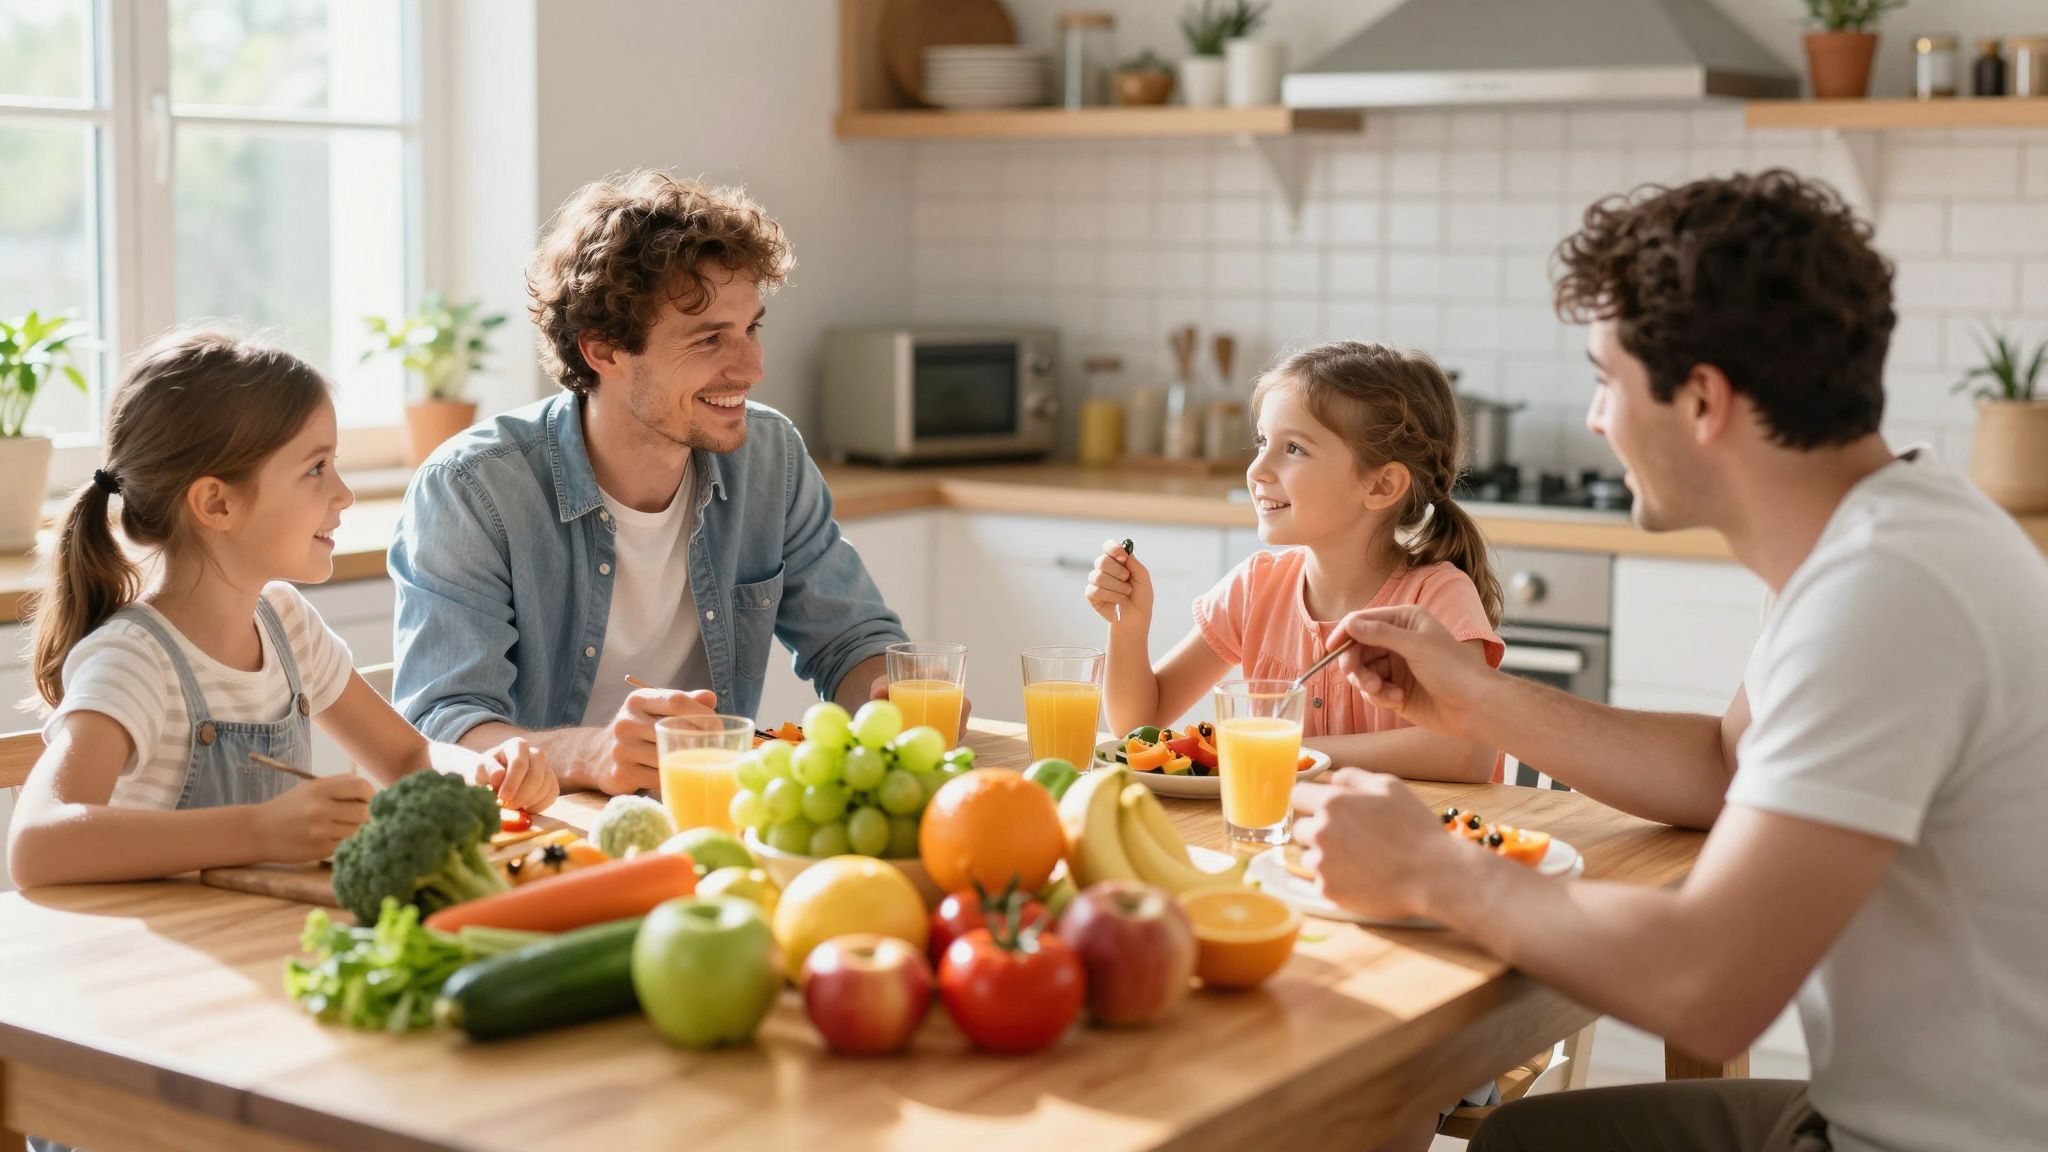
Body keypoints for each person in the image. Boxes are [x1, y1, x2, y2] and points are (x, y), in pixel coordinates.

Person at [1295, 170, 2048, 1151]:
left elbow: (1708, 987)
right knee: (1519, 1143)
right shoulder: (1890, 534)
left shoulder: (1886, 596)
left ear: (1700, 401)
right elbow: (1724, 770)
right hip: (1882, 1111)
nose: (1597, 420)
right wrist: (1473, 699)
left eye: (1605, 381)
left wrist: (1429, 871)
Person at [390, 170, 910, 797]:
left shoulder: (771, 456)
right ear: (604, 351)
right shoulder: (472, 491)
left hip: (708, 819)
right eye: (709, 338)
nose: (752, 366)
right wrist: (589, 754)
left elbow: (851, 643)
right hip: (547, 835)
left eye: (751, 329)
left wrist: (895, 695)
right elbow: (441, 729)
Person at [7, 331, 555, 890]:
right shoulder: (133, 660)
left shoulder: (285, 623)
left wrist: (481, 769)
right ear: (216, 503)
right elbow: (36, 844)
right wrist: (261, 831)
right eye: (316, 468)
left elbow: (409, 755)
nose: (345, 494)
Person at [1086, 341, 1502, 780]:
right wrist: (1128, 627)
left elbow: (1467, 752)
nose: (1257, 469)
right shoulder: (1256, 588)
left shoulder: (1435, 596)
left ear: (1381, 486)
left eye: (1294, 449)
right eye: (1263, 441)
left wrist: (1285, 746)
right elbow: (1136, 726)